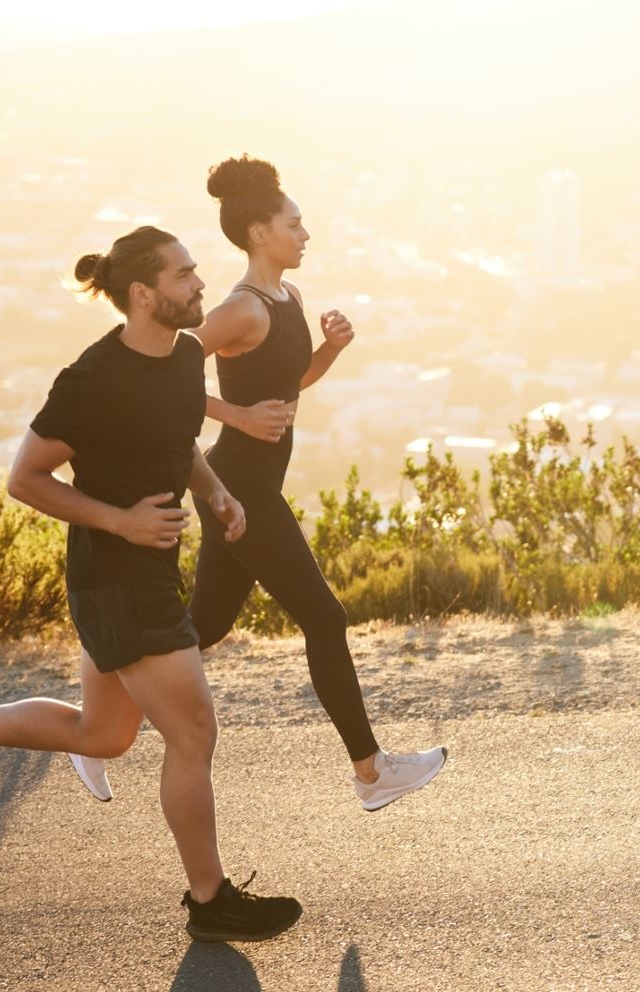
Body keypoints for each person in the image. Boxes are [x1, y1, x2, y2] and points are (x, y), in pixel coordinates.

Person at [0, 225, 301, 943]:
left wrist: (218, 493)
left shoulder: (184, 355)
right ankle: (210, 899)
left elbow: (177, 433)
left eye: (196, 272)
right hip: (117, 577)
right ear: (143, 293)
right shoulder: (92, 380)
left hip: (145, 571)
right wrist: (120, 522)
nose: (199, 285)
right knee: (193, 731)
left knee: (100, 735)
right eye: (185, 275)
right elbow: (24, 478)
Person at [184, 154, 446, 812]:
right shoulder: (240, 309)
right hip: (239, 486)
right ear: (258, 234)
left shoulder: (288, 298)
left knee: (202, 627)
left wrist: (329, 350)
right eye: (294, 224)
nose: (306, 235)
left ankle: (89, 721)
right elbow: (166, 373)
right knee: (325, 617)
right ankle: (371, 772)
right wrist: (235, 413)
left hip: (246, 482)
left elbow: (287, 383)